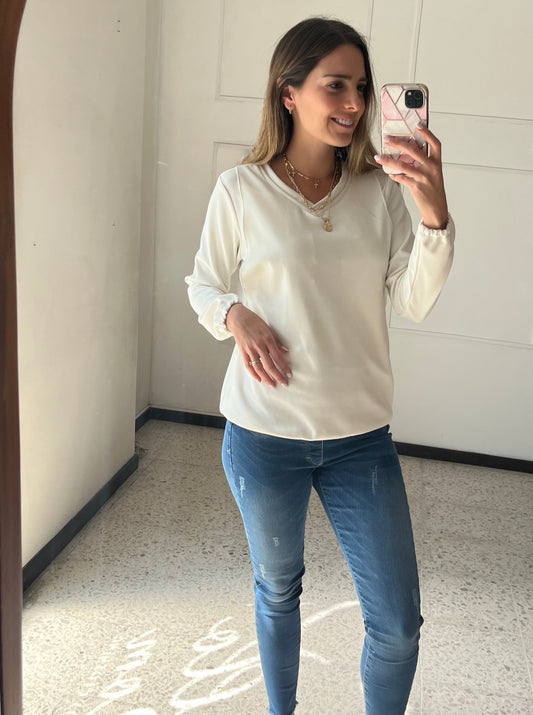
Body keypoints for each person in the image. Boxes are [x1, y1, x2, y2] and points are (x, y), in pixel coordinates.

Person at [185, 16, 454, 715]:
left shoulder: (381, 191)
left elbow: (412, 301)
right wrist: (234, 315)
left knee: (397, 626)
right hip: (262, 434)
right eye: (336, 85)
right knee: (278, 589)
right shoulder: (240, 189)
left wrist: (433, 217)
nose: (355, 103)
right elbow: (203, 283)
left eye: (362, 87)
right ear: (289, 92)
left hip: (360, 438)